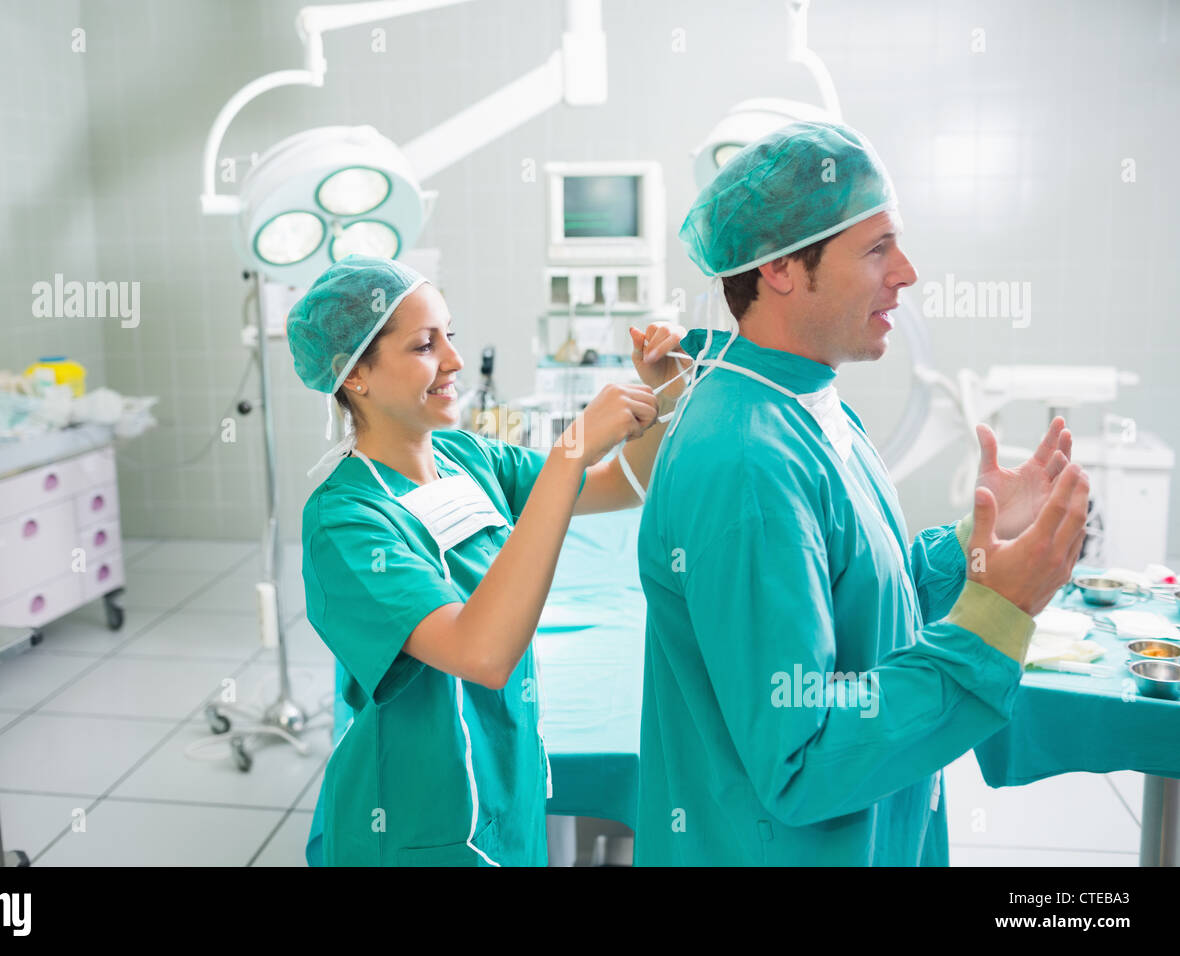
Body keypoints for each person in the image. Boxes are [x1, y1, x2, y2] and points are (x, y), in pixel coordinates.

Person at [633, 121, 1089, 865]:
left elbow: (862, 602)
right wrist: (995, 617)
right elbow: (801, 759)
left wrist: (975, 549)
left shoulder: (811, 403)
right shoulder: (746, 462)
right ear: (781, 267)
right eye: (877, 248)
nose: (907, 273)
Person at [287, 255, 688, 866]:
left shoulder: (468, 457)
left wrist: (666, 393)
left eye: (450, 335)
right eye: (425, 345)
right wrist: (568, 454)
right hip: (416, 819)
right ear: (356, 373)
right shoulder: (343, 521)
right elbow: (481, 653)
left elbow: (624, 485)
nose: (454, 360)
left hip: (507, 781)